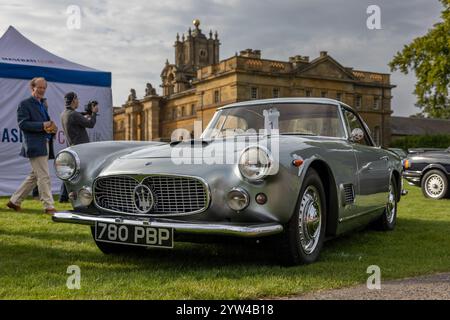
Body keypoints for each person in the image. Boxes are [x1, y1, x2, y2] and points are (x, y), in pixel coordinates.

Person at [7, 77, 57, 214]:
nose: (42, 90)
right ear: (32, 88)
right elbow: (23, 124)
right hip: (35, 145)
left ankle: (14, 201)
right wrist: (43, 125)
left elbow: (44, 124)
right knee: (44, 176)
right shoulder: (25, 104)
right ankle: (49, 206)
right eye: (39, 87)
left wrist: (51, 129)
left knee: (35, 176)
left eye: (44, 88)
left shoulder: (42, 103)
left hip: (44, 142)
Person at [59, 92, 98, 202]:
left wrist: (85, 115)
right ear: (74, 100)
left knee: (70, 173)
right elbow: (90, 124)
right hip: (81, 149)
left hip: (72, 147)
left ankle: (63, 196)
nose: (78, 102)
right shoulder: (74, 114)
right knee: (83, 173)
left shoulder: (64, 114)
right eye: (77, 99)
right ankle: (84, 195)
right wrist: (94, 113)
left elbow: (77, 120)